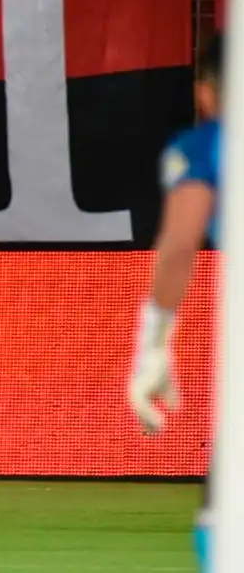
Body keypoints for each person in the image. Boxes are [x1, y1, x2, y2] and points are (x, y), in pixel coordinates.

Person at [128, 32, 223, 573]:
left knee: (223, 522)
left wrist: (154, 349)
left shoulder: (206, 146)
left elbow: (179, 245)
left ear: (206, 92)